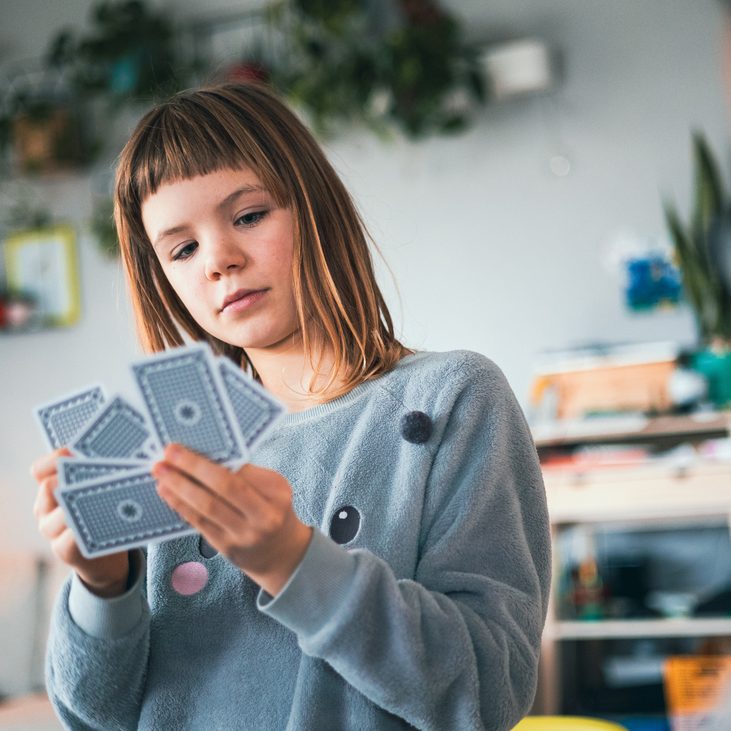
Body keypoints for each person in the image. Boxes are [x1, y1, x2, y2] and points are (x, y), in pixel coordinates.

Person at [30, 83, 551, 731]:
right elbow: (92, 717)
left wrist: (293, 560)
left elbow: (487, 691)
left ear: (315, 207)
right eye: (182, 249)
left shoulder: (452, 398)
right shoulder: (168, 451)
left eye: (248, 216)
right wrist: (104, 587)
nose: (220, 258)